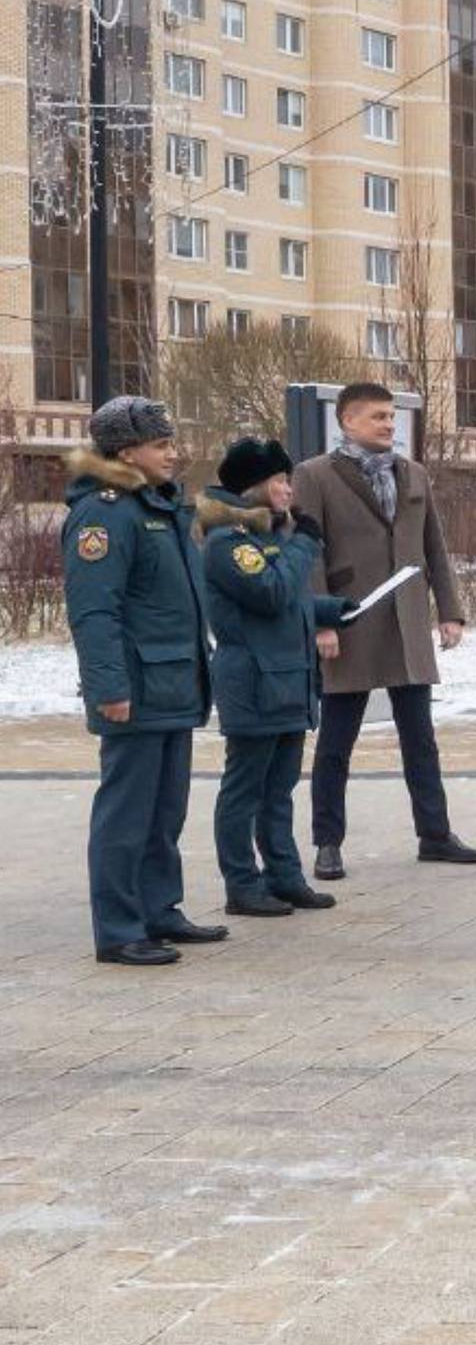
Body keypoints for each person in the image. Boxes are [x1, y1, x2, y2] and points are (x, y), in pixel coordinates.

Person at [63, 396, 224, 966]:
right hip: (134, 690)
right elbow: (94, 611)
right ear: (127, 452)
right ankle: (118, 929)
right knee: (127, 815)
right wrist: (109, 688)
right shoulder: (105, 513)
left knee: (164, 812)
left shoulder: (159, 506)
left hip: (174, 684)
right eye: (162, 445)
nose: (173, 454)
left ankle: (159, 910)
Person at [295, 382, 476, 873]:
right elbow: (308, 553)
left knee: (420, 739)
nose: (388, 424)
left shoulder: (412, 473)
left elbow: (433, 546)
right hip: (349, 622)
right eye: (377, 416)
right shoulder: (314, 475)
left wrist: (450, 611)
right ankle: (327, 843)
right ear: (348, 421)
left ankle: (435, 834)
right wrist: (321, 621)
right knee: (337, 743)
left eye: (391, 416)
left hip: (407, 622)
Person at [199, 439, 351, 918]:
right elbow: (269, 592)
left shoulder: (268, 535)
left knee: (279, 790)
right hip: (253, 683)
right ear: (254, 486)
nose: (289, 489)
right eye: (280, 481)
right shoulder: (228, 540)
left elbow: (288, 600)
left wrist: (333, 610)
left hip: (287, 679)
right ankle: (242, 885)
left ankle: (284, 876)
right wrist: (305, 541)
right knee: (244, 790)